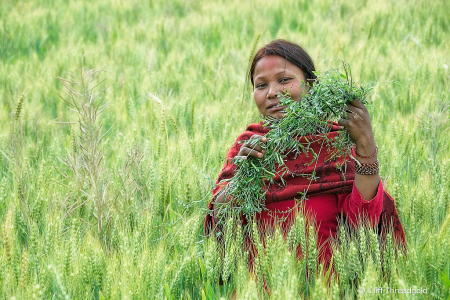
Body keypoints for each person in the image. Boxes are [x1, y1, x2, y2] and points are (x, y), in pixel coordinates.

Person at [205, 39, 405, 267]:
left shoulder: (337, 144)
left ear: (311, 85)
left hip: (329, 285)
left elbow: (363, 225)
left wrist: (366, 147)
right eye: (261, 85)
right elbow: (220, 223)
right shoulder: (249, 145)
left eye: (284, 80)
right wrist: (244, 178)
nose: (272, 92)